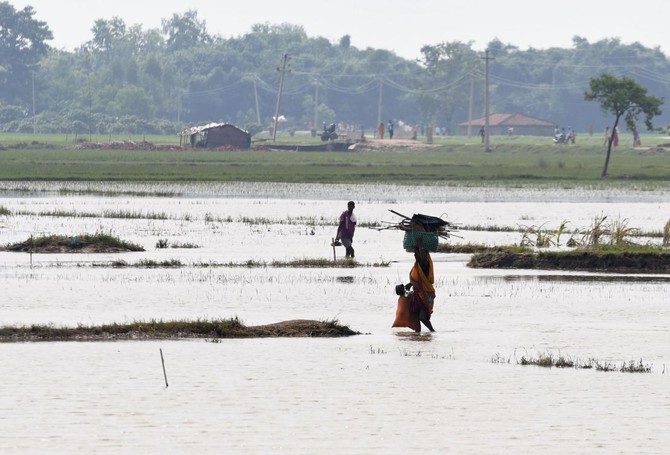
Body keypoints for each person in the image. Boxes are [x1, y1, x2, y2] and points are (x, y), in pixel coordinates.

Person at [393, 235, 435, 332]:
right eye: (416, 255)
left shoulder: (424, 264)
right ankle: (417, 335)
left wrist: (420, 244)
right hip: (416, 294)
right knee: (415, 316)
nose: (416, 256)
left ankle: (432, 331)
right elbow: (408, 291)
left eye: (418, 255)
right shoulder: (417, 266)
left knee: (422, 316)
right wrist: (409, 286)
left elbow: (423, 256)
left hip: (425, 294)